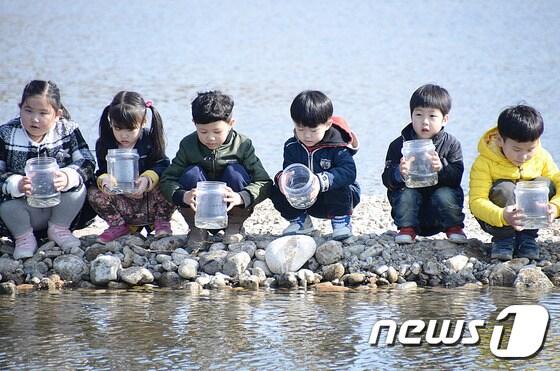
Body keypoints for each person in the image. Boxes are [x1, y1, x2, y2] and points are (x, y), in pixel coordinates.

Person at [160, 90, 271, 247]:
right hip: (199, 211)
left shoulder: (243, 145)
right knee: (191, 173)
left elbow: (264, 182)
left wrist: (241, 197)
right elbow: (167, 179)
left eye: (217, 131)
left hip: (230, 206)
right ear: (194, 123)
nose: (210, 138)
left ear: (231, 123)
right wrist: (182, 195)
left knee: (236, 172)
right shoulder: (188, 144)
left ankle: (234, 226)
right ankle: (197, 228)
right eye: (203, 131)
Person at [0, 80, 96, 259]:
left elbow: (88, 161)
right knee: (6, 202)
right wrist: (16, 184)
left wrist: (68, 177)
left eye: (43, 113)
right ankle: (23, 238)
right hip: (22, 209)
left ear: (57, 114)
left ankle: (59, 230)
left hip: (60, 208)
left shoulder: (68, 130)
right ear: (20, 107)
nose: (34, 119)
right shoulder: (6, 133)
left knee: (80, 187)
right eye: (28, 110)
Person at [470, 104, 560, 261]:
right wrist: (502, 216)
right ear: (499, 140)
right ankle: (503, 240)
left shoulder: (542, 156)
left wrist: (555, 207)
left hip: (530, 219)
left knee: (544, 184)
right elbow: (476, 201)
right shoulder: (484, 162)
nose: (523, 156)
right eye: (517, 150)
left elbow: (557, 181)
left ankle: (527, 238)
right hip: (496, 220)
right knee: (505, 189)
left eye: (530, 149)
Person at [270, 90, 360, 241]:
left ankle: (341, 222)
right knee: (275, 187)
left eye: (313, 130)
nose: (307, 135)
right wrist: (283, 179)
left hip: (341, 198)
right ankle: (300, 221)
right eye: (301, 129)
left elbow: (349, 172)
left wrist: (320, 181)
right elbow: (289, 170)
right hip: (307, 200)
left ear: (327, 125)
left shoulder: (337, 146)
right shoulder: (292, 146)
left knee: (338, 183)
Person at [382, 84, 466, 244]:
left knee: (445, 193)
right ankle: (406, 228)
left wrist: (442, 168)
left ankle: (454, 227)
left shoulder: (451, 144)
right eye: (419, 114)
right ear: (411, 116)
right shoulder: (398, 145)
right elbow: (387, 180)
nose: (425, 122)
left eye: (432, 116)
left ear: (445, 119)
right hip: (411, 212)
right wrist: (398, 172)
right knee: (406, 192)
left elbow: (457, 178)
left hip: (440, 213)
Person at [88, 91, 176, 243]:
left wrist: (147, 179)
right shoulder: (104, 143)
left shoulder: (150, 139)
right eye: (118, 128)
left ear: (143, 122)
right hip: (122, 202)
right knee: (93, 192)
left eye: (130, 130)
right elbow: (101, 171)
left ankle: (162, 221)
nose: (124, 135)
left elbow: (162, 164)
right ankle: (118, 226)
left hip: (149, 200)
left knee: (171, 182)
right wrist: (105, 180)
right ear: (110, 123)